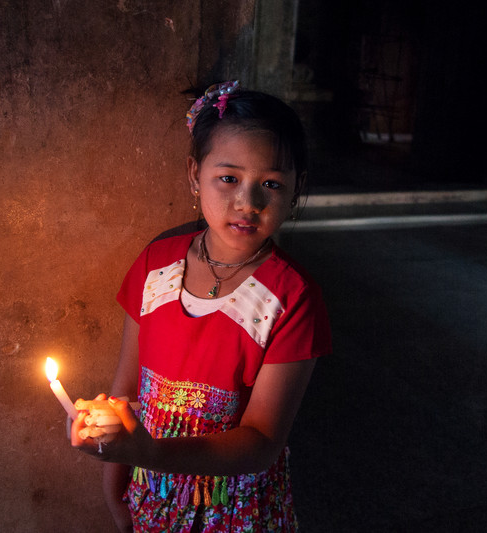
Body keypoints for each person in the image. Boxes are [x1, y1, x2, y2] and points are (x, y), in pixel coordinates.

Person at [70, 81, 332, 532]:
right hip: (151, 495)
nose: (247, 203)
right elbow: (122, 391)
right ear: (195, 175)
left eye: (270, 184)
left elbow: (262, 443)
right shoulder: (156, 266)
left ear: (296, 189)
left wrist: (149, 453)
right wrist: (115, 491)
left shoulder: (291, 298)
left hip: (236, 509)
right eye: (228, 178)